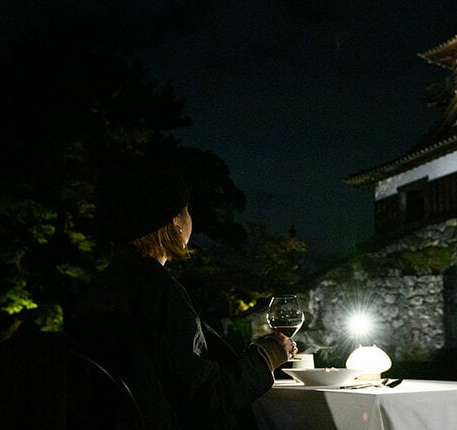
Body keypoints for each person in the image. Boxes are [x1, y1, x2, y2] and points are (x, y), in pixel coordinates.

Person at [67, 156, 295, 429]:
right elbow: (206, 400)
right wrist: (266, 356)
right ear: (175, 222)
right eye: (186, 209)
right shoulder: (159, 294)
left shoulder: (94, 292)